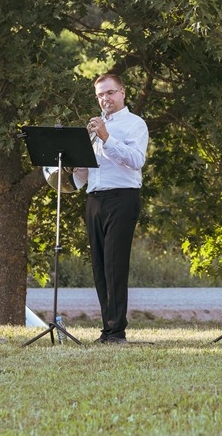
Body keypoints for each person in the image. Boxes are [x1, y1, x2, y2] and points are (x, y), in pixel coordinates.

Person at [76, 74, 148, 344]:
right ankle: (107, 329)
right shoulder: (95, 127)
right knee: (99, 266)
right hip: (95, 198)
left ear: (122, 93)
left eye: (109, 93)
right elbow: (86, 173)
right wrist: (76, 164)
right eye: (100, 95)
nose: (105, 99)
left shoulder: (135, 124)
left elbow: (136, 160)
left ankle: (117, 331)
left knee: (115, 266)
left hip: (122, 197)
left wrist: (106, 138)